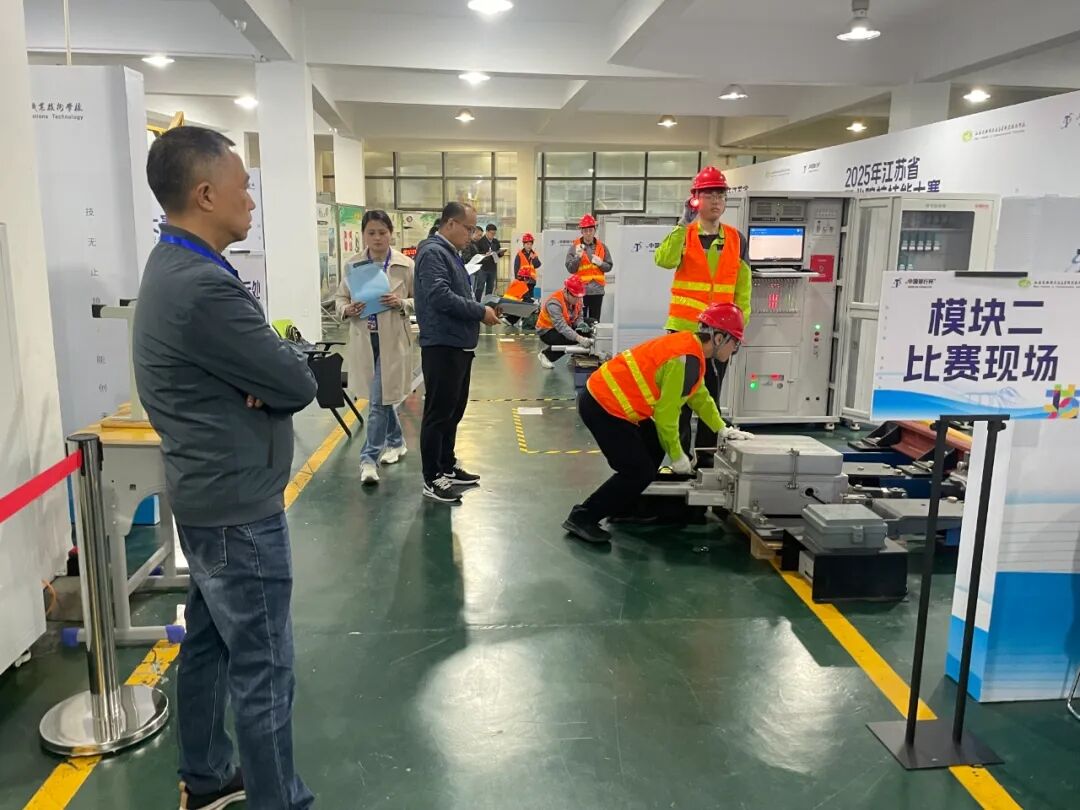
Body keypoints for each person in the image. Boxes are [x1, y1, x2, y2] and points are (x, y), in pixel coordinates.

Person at [133, 126, 317, 809]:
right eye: (244, 187)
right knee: (264, 667)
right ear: (206, 194)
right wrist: (271, 374)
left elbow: (270, 370)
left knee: (210, 642)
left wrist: (264, 373)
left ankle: (207, 775)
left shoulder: (175, 267)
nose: (252, 201)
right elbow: (296, 381)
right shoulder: (204, 288)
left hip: (207, 496)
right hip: (238, 511)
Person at [562, 303, 753, 545]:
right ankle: (583, 517)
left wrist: (722, 429)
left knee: (653, 443)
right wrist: (678, 456)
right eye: (735, 343)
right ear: (718, 338)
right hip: (603, 405)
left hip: (608, 400)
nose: (735, 349)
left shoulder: (690, 350)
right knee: (637, 471)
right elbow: (666, 416)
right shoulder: (685, 359)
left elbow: (700, 397)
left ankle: (626, 505)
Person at [654, 166, 752, 465]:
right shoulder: (685, 234)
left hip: (719, 336)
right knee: (681, 399)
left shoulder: (736, 239)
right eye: (709, 194)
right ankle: (681, 458)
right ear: (695, 199)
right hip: (684, 332)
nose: (716, 200)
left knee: (712, 396)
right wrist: (682, 225)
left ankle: (707, 461)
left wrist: (737, 332)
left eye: (720, 194)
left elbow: (743, 291)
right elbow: (663, 260)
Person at [414, 201, 501, 503]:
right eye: (469, 228)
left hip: (459, 344)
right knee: (438, 414)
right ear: (450, 224)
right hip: (442, 345)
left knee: (453, 411)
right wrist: (479, 311)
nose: (472, 234)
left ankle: (446, 465)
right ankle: (432, 477)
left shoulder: (450, 253)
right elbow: (439, 296)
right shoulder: (433, 253)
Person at [335, 209, 415, 486]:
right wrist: (348, 309)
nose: (377, 238)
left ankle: (368, 460)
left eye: (382, 232)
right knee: (380, 397)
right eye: (371, 233)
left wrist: (401, 303)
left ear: (391, 233)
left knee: (378, 401)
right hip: (365, 340)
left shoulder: (405, 265)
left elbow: (420, 300)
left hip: (393, 340)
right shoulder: (353, 265)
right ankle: (397, 441)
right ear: (363, 235)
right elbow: (340, 298)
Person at [565, 213, 612, 322]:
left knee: (595, 322)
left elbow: (609, 266)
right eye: (585, 231)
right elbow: (570, 269)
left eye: (590, 230)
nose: (588, 233)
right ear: (581, 231)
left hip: (597, 291)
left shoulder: (602, 247)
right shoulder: (575, 247)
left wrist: (601, 264)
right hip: (580, 292)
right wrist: (577, 257)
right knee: (579, 321)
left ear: (595, 230)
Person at [536, 276, 590, 369]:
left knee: (590, 325)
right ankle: (546, 355)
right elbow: (561, 327)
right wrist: (579, 338)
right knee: (570, 338)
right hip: (547, 331)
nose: (578, 300)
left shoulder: (578, 298)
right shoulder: (554, 302)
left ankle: (576, 356)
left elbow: (579, 316)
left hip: (567, 324)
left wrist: (580, 324)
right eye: (575, 296)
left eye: (579, 297)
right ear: (566, 291)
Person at [473, 222, 504, 302]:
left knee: (490, 287)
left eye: (494, 234)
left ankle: (488, 303)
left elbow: (499, 252)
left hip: (492, 267)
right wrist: (485, 254)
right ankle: (477, 302)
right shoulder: (480, 241)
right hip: (483, 268)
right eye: (491, 233)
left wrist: (501, 253)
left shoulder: (496, 241)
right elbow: (476, 254)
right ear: (487, 232)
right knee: (480, 287)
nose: (493, 235)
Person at [514, 233, 542, 298]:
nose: (529, 246)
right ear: (524, 244)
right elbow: (516, 268)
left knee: (530, 298)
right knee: (523, 298)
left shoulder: (533, 254)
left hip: (531, 281)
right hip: (522, 281)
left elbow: (538, 265)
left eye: (530, 244)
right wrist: (518, 280)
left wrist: (534, 258)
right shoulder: (519, 254)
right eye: (527, 244)